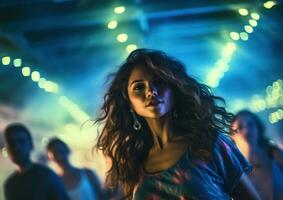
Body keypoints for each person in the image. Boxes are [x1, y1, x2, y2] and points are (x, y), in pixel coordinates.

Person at [94, 48, 260, 199]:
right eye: (138, 87)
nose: (151, 92)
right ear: (129, 103)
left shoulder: (208, 143)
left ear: (175, 89)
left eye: (159, 82)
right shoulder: (135, 162)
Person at [230, 110, 283, 200]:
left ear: (258, 129)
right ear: (232, 136)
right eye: (240, 127)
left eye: (250, 125)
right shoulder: (234, 169)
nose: (246, 131)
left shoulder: (274, 155)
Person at [3, 123, 70, 200]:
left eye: (21, 141)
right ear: (6, 148)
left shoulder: (47, 177)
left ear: (31, 145)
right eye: (11, 143)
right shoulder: (9, 185)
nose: (16, 147)